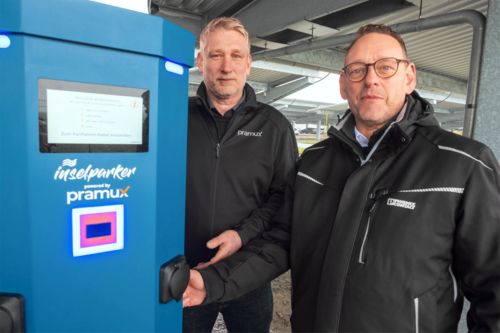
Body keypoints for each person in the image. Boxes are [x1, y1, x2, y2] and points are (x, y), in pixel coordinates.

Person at [183, 24, 500, 332]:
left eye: (386, 67)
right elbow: (281, 241)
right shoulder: (315, 164)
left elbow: (493, 288)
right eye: (358, 70)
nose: (371, 79)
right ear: (343, 84)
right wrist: (212, 282)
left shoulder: (462, 165)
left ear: (409, 76)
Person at [183, 16, 298, 333]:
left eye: (236, 56)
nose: (226, 66)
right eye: (216, 55)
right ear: (200, 60)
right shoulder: (175, 117)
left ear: (248, 63)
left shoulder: (275, 127)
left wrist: (242, 235)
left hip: (248, 273)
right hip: (186, 272)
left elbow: (282, 198)